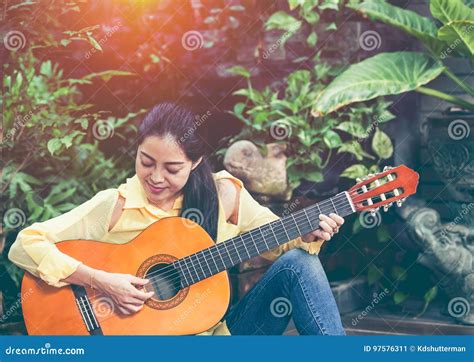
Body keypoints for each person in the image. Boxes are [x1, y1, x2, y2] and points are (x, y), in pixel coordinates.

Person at [8, 102, 345, 335]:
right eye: (146, 161)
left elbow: (280, 240)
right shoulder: (116, 205)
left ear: (196, 162)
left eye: (172, 169)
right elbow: (26, 243)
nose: (155, 177)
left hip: (221, 338)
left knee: (301, 263)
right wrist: (100, 280)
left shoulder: (224, 195)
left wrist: (309, 233)